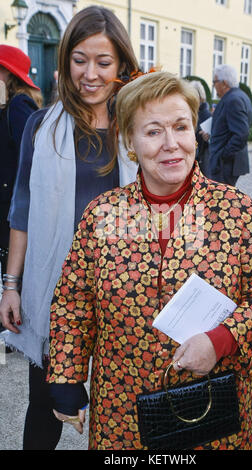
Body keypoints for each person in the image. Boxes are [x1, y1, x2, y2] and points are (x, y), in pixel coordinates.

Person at [45, 71, 252, 450]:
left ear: (196, 133)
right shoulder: (103, 213)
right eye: (153, 131)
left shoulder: (236, 210)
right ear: (130, 141)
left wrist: (221, 340)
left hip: (213, 411)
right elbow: (73, 300)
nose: (171, 144)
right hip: (123, 414)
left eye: (181, 127)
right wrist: (66, 375)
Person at [0, 6, 139, 450]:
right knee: (45, 407)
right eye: (79, 59)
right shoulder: (41, 127)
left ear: (121, 66)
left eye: (103, 62)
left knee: (129, 409)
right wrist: (11, 285)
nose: (90, 74)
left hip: (126, 289)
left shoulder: (138, 127)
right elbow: (22, 209)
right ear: (64, 62)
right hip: (54, 293)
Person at [0, 45, 42, 332]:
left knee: (13, 266)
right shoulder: (9, 105)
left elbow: (32, 157)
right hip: (9, 200)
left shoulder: (18, 106)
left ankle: (14, 325)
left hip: (15, 203)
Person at [201, 64, 252, 186]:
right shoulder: (238, 96)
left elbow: (241, 134)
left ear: (224, 83)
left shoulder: (233, 100)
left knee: (222, 200)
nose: (213, 86)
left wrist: (223, 155)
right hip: (226, 162)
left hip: (226, 164)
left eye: (214, 82)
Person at [190, 80, 211, 177]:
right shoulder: (190, 112)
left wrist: (206, 137)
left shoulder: (205, 114)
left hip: (202, 159)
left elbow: (209, 139)